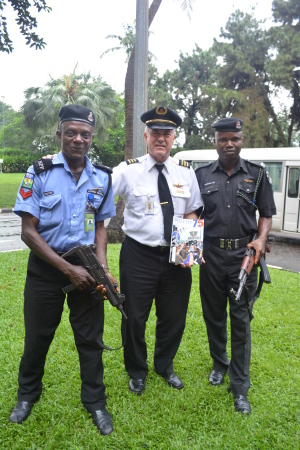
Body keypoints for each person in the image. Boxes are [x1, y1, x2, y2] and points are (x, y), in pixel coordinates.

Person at [9, 104, 117, 436]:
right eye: (71, 132)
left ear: (91, 137)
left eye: (84, 134)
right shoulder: (39, 172)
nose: (78, 139)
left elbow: (100, 228)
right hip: (46, 268)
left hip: (87, 269)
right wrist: (67, 270)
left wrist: (103, 270)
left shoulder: (103, 177)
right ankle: (27, 395)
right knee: (37, 338)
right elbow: (29, 232)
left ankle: (95, 402)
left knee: (90, 340)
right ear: (59, 135)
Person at [112, 106, 203, 394]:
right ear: (145, 136)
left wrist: (186, 250)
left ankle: (164, 366)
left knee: (174, 317)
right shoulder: (128, 170)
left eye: (167, 133)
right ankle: (137, 371)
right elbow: (100, 196)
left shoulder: (185, 172)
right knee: (134, 318)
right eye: (155, 133)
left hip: (175, 256)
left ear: (174, 138)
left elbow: (193, 211)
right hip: (138, 255)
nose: (161, 138)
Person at [195, 117, 276, 414]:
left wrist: (260, 239)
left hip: (245, 257)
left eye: (235, 138)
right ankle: (219, 363)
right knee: (213, 315)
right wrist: (189, 247)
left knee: (240, 321)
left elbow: (266, 214)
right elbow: (193, 213)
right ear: (215, 141)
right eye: (223, 139)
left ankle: (240, 386)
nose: (230, 144)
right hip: (211, 257)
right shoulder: (201, 175)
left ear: (242, 139)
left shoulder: (257, 174)